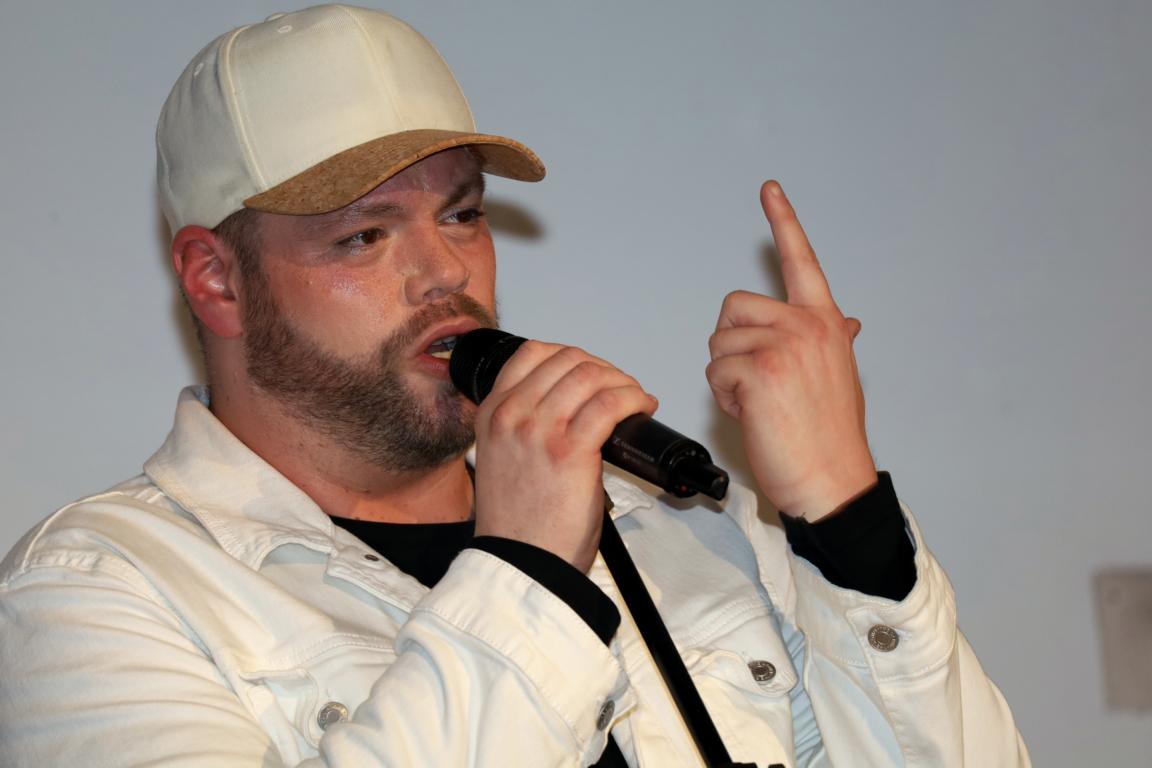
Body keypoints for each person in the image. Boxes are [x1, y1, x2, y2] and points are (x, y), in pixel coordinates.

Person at [0, 5, 1029, 766]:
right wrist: (528, 573)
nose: (444, 273)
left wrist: (844, 518)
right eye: (365, 236)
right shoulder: (98, 595)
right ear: (217, 280)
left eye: (461, 214)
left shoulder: (678, 532)